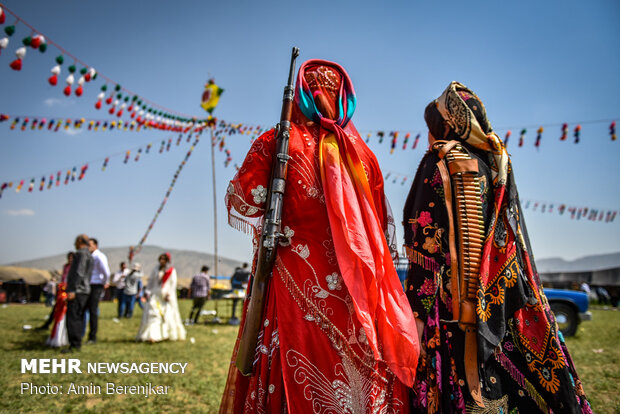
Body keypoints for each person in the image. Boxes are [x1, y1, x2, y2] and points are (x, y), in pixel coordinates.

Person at [219, 60, 419, 413]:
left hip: (295, 285)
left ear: (300, 95)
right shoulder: (363, 157)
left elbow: (246, 199)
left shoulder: (280, 140)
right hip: (358, 297)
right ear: (344, 98)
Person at [403, 81, 591, 413]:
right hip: (498, 301)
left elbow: (426, 247)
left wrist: (416, 317)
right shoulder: (497, 163)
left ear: (445, 125)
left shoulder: (440, 163)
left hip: (450, 309)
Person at [136, 253, 186, 342]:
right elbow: (151, 281)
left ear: (167, 260)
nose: (162, 261)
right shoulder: (155, 269)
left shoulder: (171, 271)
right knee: (153, 314)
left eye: (164, 259)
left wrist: (168, 294)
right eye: (161, 259)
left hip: (165, 296)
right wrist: (147, 291)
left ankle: (166, 334)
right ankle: (152, 335)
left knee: (167, 315)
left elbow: (172, 284)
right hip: (155, 295)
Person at [63, 234, 93, 353]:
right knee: (79, 317)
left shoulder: (81, 254)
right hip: (85, 290)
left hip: (78, 290)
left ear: (80, 241)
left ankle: (74, 344)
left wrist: (72, 289)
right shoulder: (89, 255)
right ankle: (77, 343)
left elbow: (79, 273)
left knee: (73, 318)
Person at [85, 238, 110, 344]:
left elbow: (106, 271)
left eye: (90, 245)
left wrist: (104, 282)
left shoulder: (99, 256)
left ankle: (92, 337)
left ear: (96, 245)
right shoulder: (89, 256)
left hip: (96, 285)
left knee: (93, 310)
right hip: (88, 284)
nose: (88, 247)